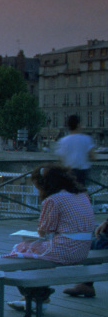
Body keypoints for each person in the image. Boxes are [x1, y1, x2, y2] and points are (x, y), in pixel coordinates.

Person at [1, 165, 95, 311]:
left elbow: (44, 231)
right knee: (39, 254)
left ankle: (34, 296)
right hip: (83, 248)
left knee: (19, 250)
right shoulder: (82, 195)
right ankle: (36, 296)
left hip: (66, 250)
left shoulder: (53, 200)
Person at [55, 115, 98, 296]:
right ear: (79, 124)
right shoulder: (86, 139)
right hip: (82, 175)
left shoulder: (64, 140)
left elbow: (61, 161)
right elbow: (93, 157)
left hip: (69, 174)